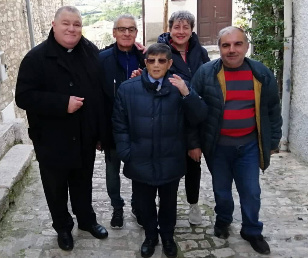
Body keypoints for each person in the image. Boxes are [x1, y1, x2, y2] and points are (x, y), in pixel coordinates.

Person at [15, 6, 108, 251]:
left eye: (77, 24)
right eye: (66, 23)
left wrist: (99, 133)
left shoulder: (90, 51)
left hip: (84, 136)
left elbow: (98, 95)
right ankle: (63, 227)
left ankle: (87, 220)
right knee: (55, 189)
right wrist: (61, 103)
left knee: (83, 183)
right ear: (54, 26)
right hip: (51, 140)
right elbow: (23, 97)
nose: (72, 29)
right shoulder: (35, 58)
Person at [191, 26, 282, 255]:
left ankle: (251, 230)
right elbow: (191, 111)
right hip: (218, 147)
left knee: (251, 191)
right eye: (226, 45)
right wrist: (194, 143)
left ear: (246, 46)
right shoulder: (205, 73)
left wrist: (272, 141)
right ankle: (223, 220)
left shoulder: (261, 73)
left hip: (249, 146)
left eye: (237, 44)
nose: (232, 50)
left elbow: (272, 109)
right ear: (220, 48)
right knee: (221, 191)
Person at [112, 43, 207, 258]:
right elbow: (119, 123)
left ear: (170, 63)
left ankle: (167, 236)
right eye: (151, 60)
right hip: (140, 159)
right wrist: (127, 152)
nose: (156, 65)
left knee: (168, 204)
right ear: (145, 63)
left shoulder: (180, 86)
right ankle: (150, 236)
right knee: (145, 204)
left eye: (161, 60)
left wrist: (186, 93)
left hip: (170, 159)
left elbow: (199, 116)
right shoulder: (128, 88)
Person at [157, 10, 210, 225]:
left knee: (193, 164)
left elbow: (208, 82)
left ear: (191, 29)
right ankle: (165, 207)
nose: (181, 31)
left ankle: (193, 204)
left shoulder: (201, 52)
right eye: (176, 27)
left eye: (185, 27)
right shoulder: (162, 51)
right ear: (170, 29)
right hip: (170, 117)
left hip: (195, 114)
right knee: (167, 167)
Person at [98, 14, 146, 229]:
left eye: (131, 29)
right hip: (111, 127)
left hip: (139, 127)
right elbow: (96, 97)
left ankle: (138, 206)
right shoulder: (102, 59)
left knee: (138, 171)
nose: (127, 33)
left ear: (136, 32)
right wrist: (98, 133)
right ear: (114, 32)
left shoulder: (147, 58)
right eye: (122, 29)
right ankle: (117, 208)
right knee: (112, 171)